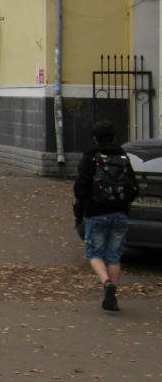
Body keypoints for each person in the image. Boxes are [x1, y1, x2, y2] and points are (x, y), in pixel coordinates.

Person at [73, 119, 135, 311]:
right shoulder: (123, 156)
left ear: (94, 138)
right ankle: (113, 297)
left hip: (95, 212)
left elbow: (81, 184)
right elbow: (133, 186)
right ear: (114, 137)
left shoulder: (90, 156)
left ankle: (106, 282)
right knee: (114, 257)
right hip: (119, 213)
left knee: (94, 253)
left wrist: (78, 201)